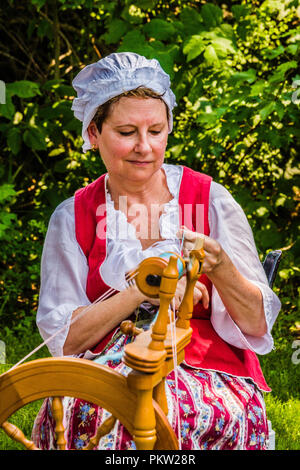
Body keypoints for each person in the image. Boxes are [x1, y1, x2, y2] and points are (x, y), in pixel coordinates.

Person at [32, 52, 281, 450]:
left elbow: (256, 324)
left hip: (202, 362)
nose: (144, 147)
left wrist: (221, 268)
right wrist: (141, 290)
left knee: (186, 412)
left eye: (156, 131)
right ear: (94, 134)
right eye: (127, 132)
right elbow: (65, 340)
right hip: (103, 367)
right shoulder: (74, 216)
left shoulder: (209, 200)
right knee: (96, 410)